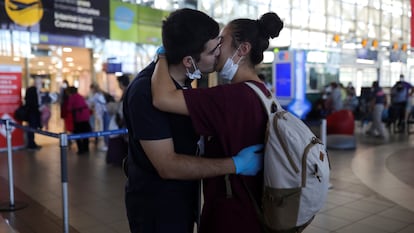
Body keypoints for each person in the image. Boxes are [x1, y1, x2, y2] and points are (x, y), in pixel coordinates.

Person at [123, 8, 263, 233]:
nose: (219, 54)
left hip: (183, 199)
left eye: (219, 45)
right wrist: (236, 164)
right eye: (213, 50)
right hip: (157, 210)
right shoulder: (145, 91)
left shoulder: (184, 82)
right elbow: (167, 165)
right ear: (189, 60)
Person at [152, 12, 283, 233]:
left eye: (222, 41)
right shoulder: (263, 93)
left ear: (242, 50)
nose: (217, 47)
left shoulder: (230, 97)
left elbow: (162, 97)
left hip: (230, 216)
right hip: (258, 212)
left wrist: (166, 54)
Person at [106, 74, 130, 166]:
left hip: (124, 122)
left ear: (121, 83)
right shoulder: (128, 91)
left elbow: (122, 109)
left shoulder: (126, 92)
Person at [66, 86, 92, 155]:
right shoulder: (80, 96)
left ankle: (81, 149)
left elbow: (69, 108)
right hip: (86, 116)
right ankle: (86, 148)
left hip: (79, 117)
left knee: (77, 133)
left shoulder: (72, 97)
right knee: (86, 133)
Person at [88, 82, 108, 151]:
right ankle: (102, 142)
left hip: (101, 114)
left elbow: (90, 103)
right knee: (101, 127)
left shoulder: (97, 95)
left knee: (102, 128)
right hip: (101, 113)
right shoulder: (100, 94)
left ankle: (104, 143)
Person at [24, 76, 43, 150]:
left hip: (34, 112)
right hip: (32, 112)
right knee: (31, 128)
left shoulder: (37, 90)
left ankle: (32, 143)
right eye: (40, 82)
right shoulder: (32, 90)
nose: (40, 84)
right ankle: (31, 144)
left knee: (33, 128)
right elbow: (30, 101)